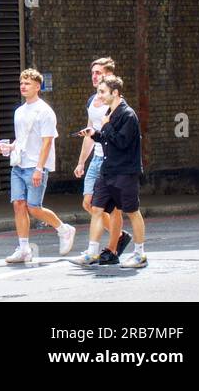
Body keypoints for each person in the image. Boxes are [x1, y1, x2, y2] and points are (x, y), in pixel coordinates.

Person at [0, 68, 76, 262]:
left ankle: (64, 229)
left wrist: (39, 169)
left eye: (27, 83)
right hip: (19, 164)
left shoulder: (45, 111)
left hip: (35, 165)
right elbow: (23, 138)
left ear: (37, 86)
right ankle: (24, 248)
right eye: (21, 83)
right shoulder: (19, 111)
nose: (23, 87)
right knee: (18, 204)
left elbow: (47, 142)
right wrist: (11, 147)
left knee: (34, 208)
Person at [75, 74, 148, 268]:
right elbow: (109, 140)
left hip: (124, 172)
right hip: (107, 170)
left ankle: (140, 254)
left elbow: (122, 142)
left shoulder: (128, 115)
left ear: (115, 93)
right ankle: (92, 252)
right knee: (96, 209)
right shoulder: (110, 111)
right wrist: (95, 134)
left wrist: (106, 126)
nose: (98, 96)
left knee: (132, 212)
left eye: (102, 92)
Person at [72, 57, 130, 263]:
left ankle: (112, 247)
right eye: (93, 73)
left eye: (99, 73)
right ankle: (120, 235)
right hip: (96, 158)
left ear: (110, 76)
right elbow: (90, 133)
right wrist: (81, 162)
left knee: (110, 209)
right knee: (88, 203)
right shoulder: (91, 101)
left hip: (112, 161)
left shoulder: (115, 104)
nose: (95, 76)